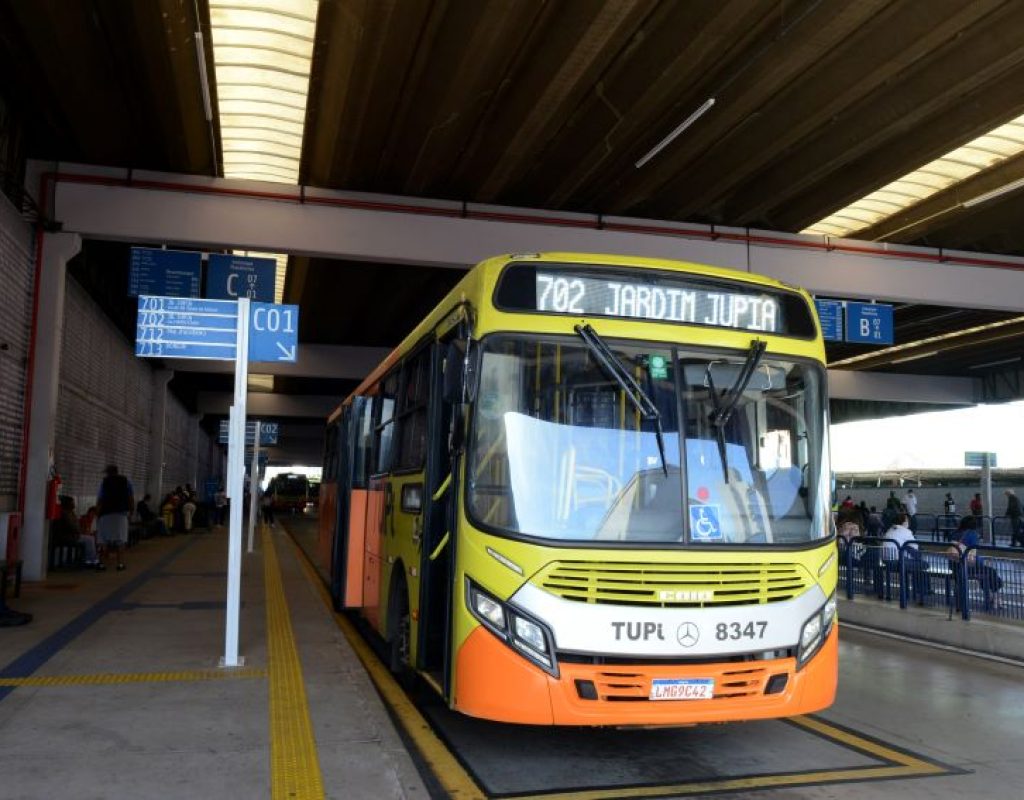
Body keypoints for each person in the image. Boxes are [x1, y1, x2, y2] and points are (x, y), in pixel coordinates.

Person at [96, 465, 133, 571]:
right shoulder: (126, 482)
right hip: (121, 514)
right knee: (121, 540)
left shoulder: (104, 483)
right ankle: (120, 564)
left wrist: (98, 515)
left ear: (108, 472)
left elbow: (100, 500)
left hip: (105, 514)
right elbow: (130, 498)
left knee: (103, 540)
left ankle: (101, 564)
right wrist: (131, 512)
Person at [51, 495, 102, 569]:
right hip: (66, 537)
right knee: (90, 539)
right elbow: (73, 526)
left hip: (72, 535)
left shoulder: (70, 512)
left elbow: (76, 525)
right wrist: (81, 531)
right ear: (68, 503)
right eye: (72, 502)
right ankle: (90, 561)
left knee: (90, 538)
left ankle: (91, 559)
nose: (74, 504)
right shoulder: (64, 513)